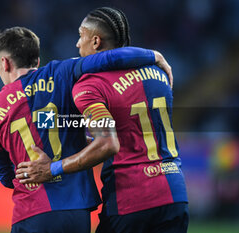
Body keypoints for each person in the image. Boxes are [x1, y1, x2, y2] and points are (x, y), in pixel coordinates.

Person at [0, 26, 172, 233]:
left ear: (4, 62)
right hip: (77, 212)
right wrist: (154, 55)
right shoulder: (61, 73)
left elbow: (6, 177)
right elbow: (110, 58)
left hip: (31, 212)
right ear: (36, 60)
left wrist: (32, 174)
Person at [16, 7, 188, 233]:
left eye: (81, 35)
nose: (78, 44)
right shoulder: (159, 73)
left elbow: (107, 143)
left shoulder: (90, 85)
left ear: (96, 41)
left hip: (131, 200)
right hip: (175, 194)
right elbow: (130, 127)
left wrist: (52, 168)